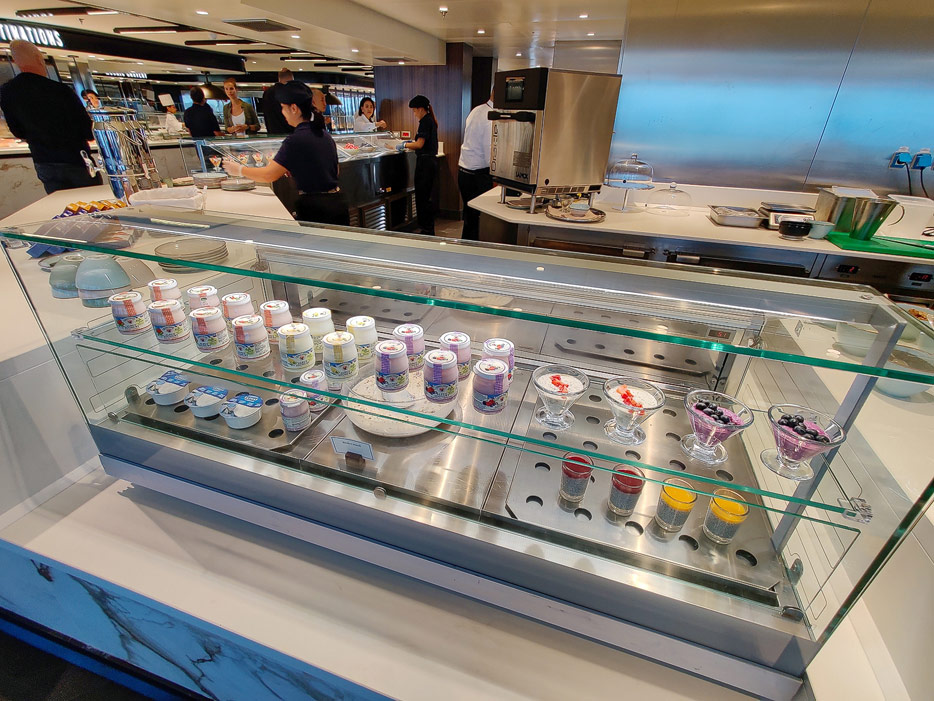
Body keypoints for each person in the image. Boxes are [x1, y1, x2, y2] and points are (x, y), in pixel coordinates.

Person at [223, 81, 349, 226]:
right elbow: (335, 171)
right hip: (337, 205)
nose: (282, 113)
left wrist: (239, 170)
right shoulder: (324, 134)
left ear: (294, 108)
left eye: (283, 107)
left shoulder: (295, 140)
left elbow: (269, 175)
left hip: (316, 210)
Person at [0, 40, 101, 194]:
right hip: (75, 158)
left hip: (44, 161)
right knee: (93, 201)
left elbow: (17, 131)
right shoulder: (59, 90)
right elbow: (86, 129)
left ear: (15, 61)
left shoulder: (8, 92)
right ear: (38, 58)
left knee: (61, 203)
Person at [397, 95, 439, 236]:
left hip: (425, 164)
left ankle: (426, 230)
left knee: (422, 198)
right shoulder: (430, 120)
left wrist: (404, 145)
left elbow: (420, 144)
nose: (414, 114)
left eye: (414, 111)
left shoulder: (425, 121)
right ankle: (428, 229)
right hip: (430, 163)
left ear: (420, 109)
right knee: (426, 197)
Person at [457, 91, 495, 240]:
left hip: (464, 172)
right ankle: (475, 249)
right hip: (478, 176)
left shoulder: (476, 110)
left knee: (470, 216)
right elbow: (489, 153)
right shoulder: (491, 117)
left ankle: (467, 247)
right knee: (480, 218)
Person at [261, 68, 295, 135]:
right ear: (291, 78)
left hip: (273, 134)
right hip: (290, 133)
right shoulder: (290, 92)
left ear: (279, 78)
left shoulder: (267, 93)